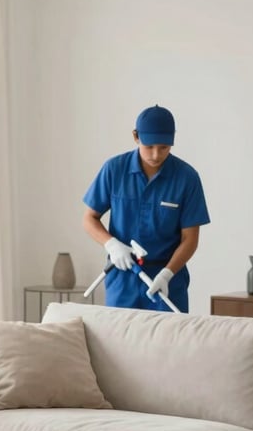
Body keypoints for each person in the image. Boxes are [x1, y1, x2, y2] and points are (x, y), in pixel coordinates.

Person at [82, 104, 210, 313]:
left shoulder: (187, 178)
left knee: (171, 341)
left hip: (168, 278)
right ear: (135, 136)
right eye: (149, 146)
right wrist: (112, 245)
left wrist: (167, 274)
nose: (156, 154)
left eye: (164, 147)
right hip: (122, 275)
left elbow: (190, 239)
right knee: (117, 341)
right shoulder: (114, 169)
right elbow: (89, 218)